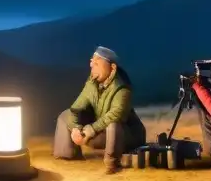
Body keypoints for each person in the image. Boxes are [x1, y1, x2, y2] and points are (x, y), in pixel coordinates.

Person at [52, 46, 146, 174]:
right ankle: (67, 153)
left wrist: (91, 129)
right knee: (65, 115)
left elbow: (115, 115)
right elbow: (76, 108)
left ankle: (112, 162)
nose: (91, 66)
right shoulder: (92, 83)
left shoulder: (122, 88)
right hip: (99, 128)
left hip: (125, 135)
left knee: (113, 125)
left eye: (96, 63)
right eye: (91, 62)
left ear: (112, 68)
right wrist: (75, 128)